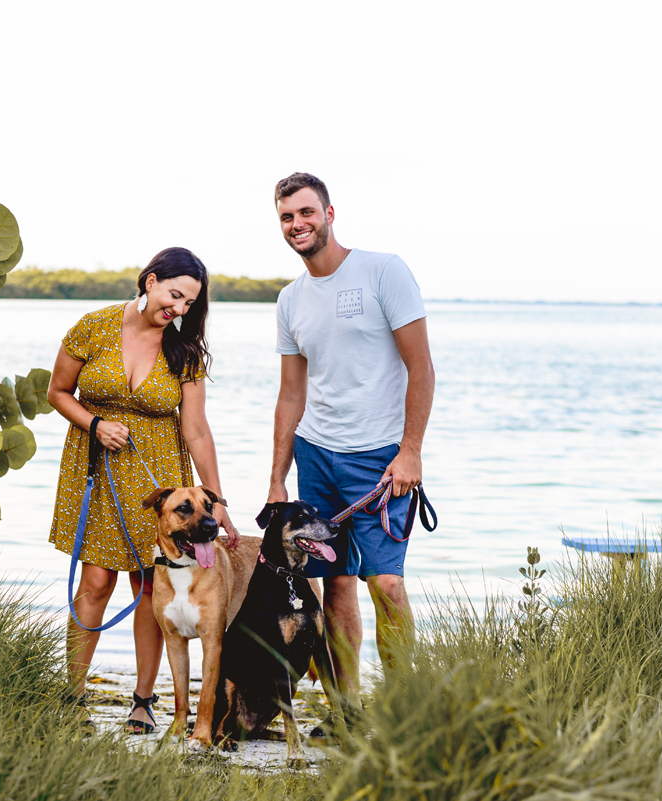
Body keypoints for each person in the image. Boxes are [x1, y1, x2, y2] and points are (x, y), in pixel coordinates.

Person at [266, 173, 435, 731]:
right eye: (288, 216)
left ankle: (403, 706)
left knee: (386, 585)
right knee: (334, 583)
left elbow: (421, 368)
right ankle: (347, 712)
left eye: (306, 213)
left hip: (380, 459)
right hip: (317, 454)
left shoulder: (384, 271)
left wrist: (409, 452)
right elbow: (292, 395)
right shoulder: (290, 301)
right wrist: (277, 480)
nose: (298, 224)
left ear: (330, 213)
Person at [47, 246, 240, 735]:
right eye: (174, 295)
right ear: (150, 281)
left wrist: (218, 504)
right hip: (95, 469)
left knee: (150, 587)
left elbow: (196, 430)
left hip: (158, 480)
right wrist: (94, 424)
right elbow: (57, 392)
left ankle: (143, 700)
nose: (178, 309)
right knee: (95, 583)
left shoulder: (185, 353)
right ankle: (71, 697)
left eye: (189, 304)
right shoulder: (93, 326)